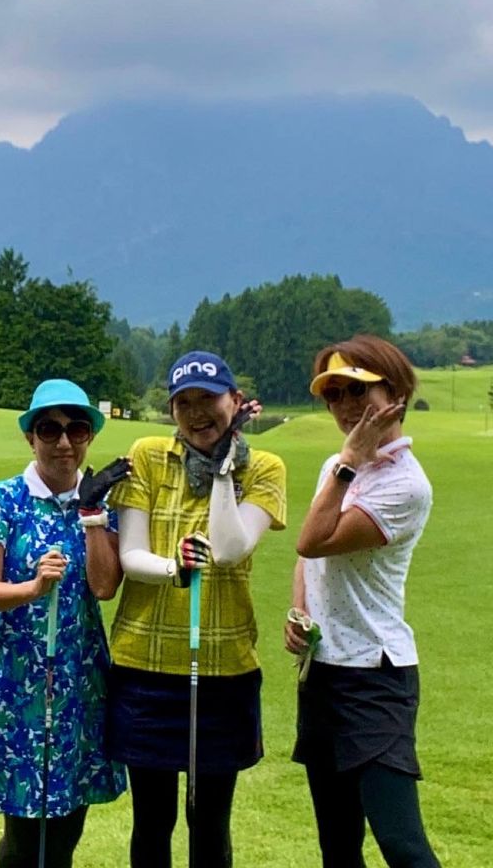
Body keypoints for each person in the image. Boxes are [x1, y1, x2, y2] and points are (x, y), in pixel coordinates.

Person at [107, 351, 287, 868]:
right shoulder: (146, 455)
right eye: (183, 402)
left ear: (234, 400)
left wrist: (227, 470)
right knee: (153, 819)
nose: (196, 412)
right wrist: (175, 570)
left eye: (207, 399)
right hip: (144, 663)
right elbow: (131, 554)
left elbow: (231, 548)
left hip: (223, 667)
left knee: (209, 820)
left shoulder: (265, 467)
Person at [287, 335, 442, 868]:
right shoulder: (338, 466)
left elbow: (312, 539)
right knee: (337, 843)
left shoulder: (405, 486)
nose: (346, 406)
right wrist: (300, 611)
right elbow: (308, 556)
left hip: (375, 677)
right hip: (324, 674)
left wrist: (349, 460)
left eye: (358, 391)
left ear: (394, 393)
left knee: (401, 844)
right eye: (333, 396)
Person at [0, 378, 130, 868]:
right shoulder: (2, 500)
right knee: (22, 834)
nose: (63, 442)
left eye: (76, 430)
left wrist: (93, 514)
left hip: (79, 685)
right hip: (19, 688)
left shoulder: (97, 503)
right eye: (49, 429)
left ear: (89, 437)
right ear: (30, 437)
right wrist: (32, 589)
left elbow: (104, 587)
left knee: (65, 828)